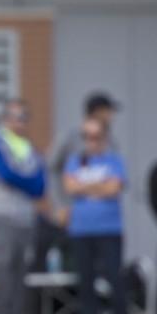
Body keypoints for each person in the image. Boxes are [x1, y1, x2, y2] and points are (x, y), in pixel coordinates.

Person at [0, 99, 46, 314]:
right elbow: (6, 174)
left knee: (20, 268)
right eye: (16, 117)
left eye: (24, 118)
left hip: (25, 218)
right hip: (1, 215)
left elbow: (40, 186)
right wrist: (25, 180)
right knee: (3, 264)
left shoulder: (29, 148)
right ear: (5, 119)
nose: (21, 123)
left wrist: (24, 181)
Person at [62, 118, 129, 314]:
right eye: (86, 137)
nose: (91, 142)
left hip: (109, 229)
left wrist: (85, 186)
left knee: (113, 275)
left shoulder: (114, 161)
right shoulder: (75, 160)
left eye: (95, 137)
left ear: (104, 137)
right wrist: (100, 186)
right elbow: (70, 188)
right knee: (85, 278)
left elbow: (114, 189)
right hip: (81, 229)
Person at [49, 92, 119, 227]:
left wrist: (85, 187)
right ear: (97, 112)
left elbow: (115, 183)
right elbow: (52, 169)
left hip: (104, 218)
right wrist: (60, 205)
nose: (112, 116)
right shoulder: (70, 137)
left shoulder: (111, 143)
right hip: (73, 215)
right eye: (108, 111)